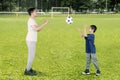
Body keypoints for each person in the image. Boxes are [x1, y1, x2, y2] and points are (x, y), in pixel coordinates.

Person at [25, 7, 49, 76]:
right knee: (31, 56)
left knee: (32, 56)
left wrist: (44, 24)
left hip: (32, 40)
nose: (37, 12)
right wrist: (45, 23)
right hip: (30, 40)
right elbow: (37, 29)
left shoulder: (33, 20)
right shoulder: (31, 20)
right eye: (36, 11)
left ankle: (29, 68)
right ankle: (27, 71)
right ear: (32, 13)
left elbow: (38, 29)